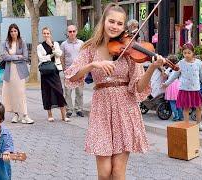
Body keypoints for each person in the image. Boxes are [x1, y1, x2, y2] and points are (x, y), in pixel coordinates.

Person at [64, 3, 165, 178]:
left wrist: (152, 68)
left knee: (118, 173)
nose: (115, 26)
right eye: (111, 21)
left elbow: (139, 87)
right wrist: (93, 65)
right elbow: (71, 76)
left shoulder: (129, 49)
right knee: (104, 174)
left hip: (125, 109)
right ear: (103, 21)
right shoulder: (90, 49)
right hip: (101, 110)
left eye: (119, 23)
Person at [163, 43, 202, 132]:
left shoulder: (198, 63)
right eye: (185, 53)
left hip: (195, 89)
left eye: (189, 53)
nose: (187, 55)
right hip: (184, 89)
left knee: (199, 107)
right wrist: (166, 83)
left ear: (193, 53)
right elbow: (174, 75)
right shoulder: (180, 63)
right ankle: (186, 125)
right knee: (186, 108)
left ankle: (199, 124)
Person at [1, 23, 34, 124]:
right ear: (9, 32)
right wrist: (17, 56)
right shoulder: (5, 43)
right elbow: (5, 57)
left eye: (15, 31)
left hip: (19, 72)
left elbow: (25, 57)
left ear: (18, 31)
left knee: (21, 93)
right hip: (9, 72)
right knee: (11, 93)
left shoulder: (22, 42)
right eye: (11, 31)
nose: (13, 33)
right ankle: (16, 114)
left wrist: (12, 56)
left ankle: (25, 115)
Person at [37, 27, 69, 122]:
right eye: (44, 33)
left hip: (54, 71)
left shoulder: (55, 44)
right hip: (45, 72)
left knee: (59, 91)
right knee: (46, 92)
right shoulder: (40, 46)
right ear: (42, 34)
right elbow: (41, 58)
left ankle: (64, 116)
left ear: (50, 34)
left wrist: (52, 47)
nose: (46, 35)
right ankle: (50, 115)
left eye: (48, 33)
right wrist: (51, 55)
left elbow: (59, 54)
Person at [60, 25, 85, 118]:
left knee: (80, 92)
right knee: (68, 92)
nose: (72, 33)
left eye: (74, 31)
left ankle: (79, 109)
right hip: (68, 71)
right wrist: (64, 69)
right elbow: (61, 57)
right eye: (70, 32)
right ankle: (69, 110)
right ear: (67, 33)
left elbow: (84, 56)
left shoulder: (81, 43)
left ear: (76, 32)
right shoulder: (63, 44)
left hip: (79, 71)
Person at [164, 55, 183, 121]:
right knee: (178, 102)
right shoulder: (178, 68)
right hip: (178, 84)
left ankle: (175, 116)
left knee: (172, 102)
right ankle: (181, 116)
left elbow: (164, 76)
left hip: (170, 85)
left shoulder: (169, 69)